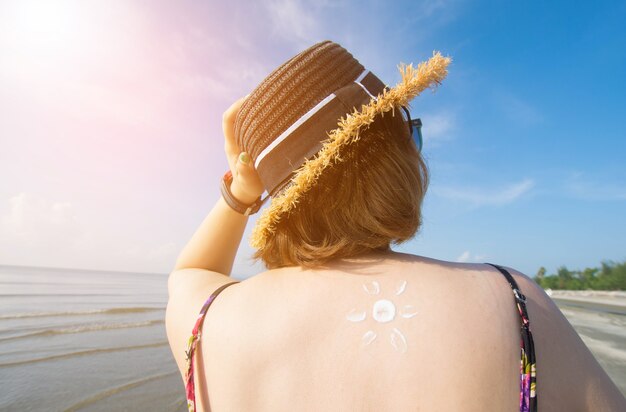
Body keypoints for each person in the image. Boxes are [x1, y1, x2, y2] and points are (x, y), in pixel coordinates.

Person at [165, 40, 625, 412]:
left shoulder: (210, 325)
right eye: (411, 133)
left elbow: (186, 275)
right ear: (394, 160)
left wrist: (241, 194)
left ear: (281, 203)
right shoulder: (515, 304)